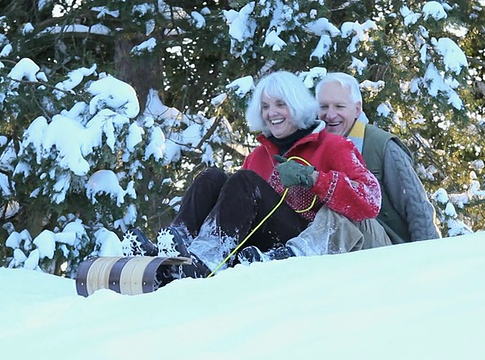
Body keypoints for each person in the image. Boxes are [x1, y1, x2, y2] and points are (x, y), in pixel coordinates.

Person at [121, 70, 381, 283]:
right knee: (211, 178)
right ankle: (174, 246)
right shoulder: (258, 157)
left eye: (281, 105)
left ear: (298, 106)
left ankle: (203, 259)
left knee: (244, 181)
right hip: (258, 244)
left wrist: (315, 179)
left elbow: (371, 199)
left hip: (303, 240)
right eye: (266, 106)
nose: (272, 113)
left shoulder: (332, 146)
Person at [238, 72, 441, 262]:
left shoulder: (381, 146)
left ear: (357, 108)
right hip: (334, 246)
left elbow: (416, 206)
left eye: (339, 107)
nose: (330, 115)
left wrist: (426, 259)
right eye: (323, 107)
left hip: (386, 246)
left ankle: (295, 256)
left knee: (338, 205)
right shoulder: (311, 146)